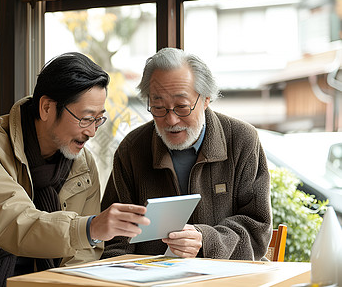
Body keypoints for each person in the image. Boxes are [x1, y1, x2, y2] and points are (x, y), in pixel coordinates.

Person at [0, 52, 149, 287]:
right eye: (85, 118)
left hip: (42, 281)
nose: (91, 132)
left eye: (98, 119)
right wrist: (90, 227)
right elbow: (13, 224)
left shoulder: (83, 163)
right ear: (47, 108)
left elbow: (83, 255)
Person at [101, 47, 272, 261]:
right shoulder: (132, 149)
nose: (171, 120)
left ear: (206, 99)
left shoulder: (241, 140)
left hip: (226, 277)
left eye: (182, 107)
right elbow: (115, 240)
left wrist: (205, 240)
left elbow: (258, 228)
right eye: (158, 107)